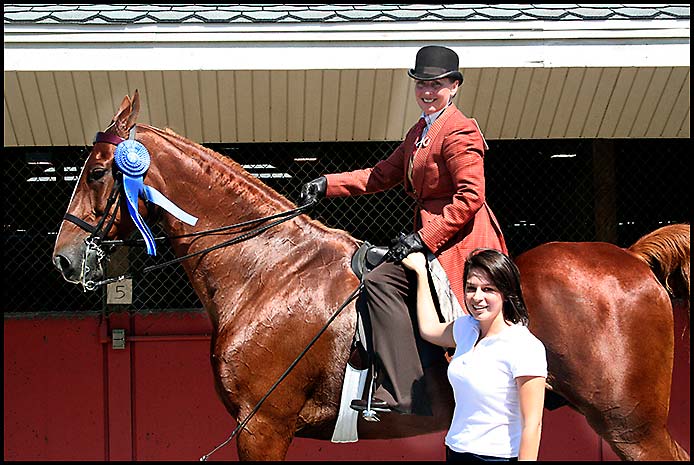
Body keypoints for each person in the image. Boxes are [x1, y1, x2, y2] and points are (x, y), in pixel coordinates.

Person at [298, 45, 507, 415]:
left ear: (454, 86)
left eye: (436, 84)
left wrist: (423, 239)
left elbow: (471, 197)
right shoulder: (419, 132)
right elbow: (381, 176)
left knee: (381, 282)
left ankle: (403, 390)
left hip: (460, 241)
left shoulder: (459, 131)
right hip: (432, 237)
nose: (427, 91)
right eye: (421, 84)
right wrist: (327, 183)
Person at [402, 248, 547, 462]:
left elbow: (532, 425)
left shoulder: (524, 346)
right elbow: (428, 328)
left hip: (497, 457)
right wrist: (422, 273)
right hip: (457, 450)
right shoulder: (466, 329)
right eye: (471, 288)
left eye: (488, 289)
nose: (477, 297)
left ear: (506, 293)